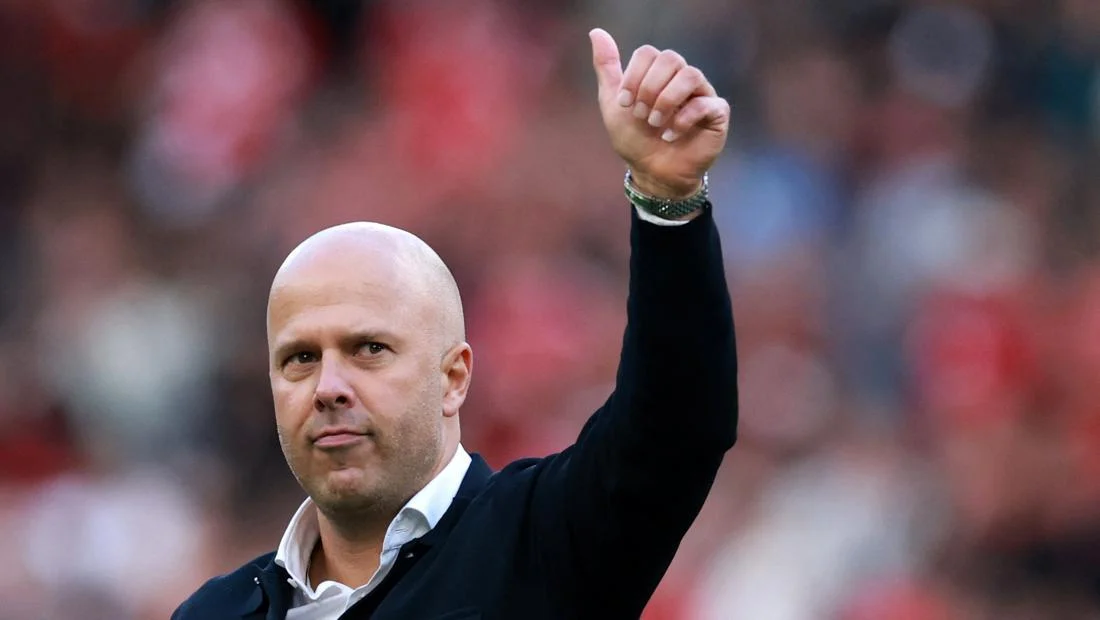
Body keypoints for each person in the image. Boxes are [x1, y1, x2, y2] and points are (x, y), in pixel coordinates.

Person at [173, 27, 737, 619]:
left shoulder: (541, 542)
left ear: (454, 378)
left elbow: (676, 426)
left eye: (368, 349)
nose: (328, 387)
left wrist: (667, 198)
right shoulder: (215, 611)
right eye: (301, 359)